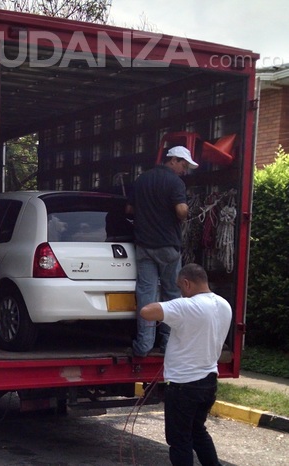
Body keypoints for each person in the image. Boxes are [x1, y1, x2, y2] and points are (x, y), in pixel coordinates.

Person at [140, 263, 232, 466]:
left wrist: (173, 302)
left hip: (184, 385)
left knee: (179, 440)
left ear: (187, 283)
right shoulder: (224, 305)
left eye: (180, 287)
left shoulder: (185, 306)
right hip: (208, 381)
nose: (180, 291)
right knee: (198, 431)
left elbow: (147, 311)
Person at [127, 145, 199, 357]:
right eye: (184, 165)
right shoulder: (175, 182)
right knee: (172, 295)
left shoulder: (142, 179)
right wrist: (185, 211)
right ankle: (168, 344)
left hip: (143, 247)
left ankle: (144, 346)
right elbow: (181, 210)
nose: (184, 170)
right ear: (173, 160)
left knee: (146, 296)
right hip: (167, 247)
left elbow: (129, 210)